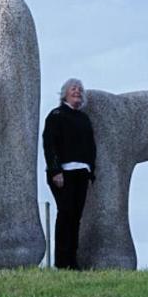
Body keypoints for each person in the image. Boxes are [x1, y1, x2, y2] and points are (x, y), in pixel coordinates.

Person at [41, 77, 96, 270]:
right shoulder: (56, 115)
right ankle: (61, 261)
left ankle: (73, 261)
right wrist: (56, 170)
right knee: (65, 215)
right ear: (64, 93)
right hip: (63, 173)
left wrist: (91, 171)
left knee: (76, 217)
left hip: (82, 172)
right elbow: (49, 145)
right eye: (74, 88)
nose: (77, 91)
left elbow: (91, 146)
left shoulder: (84, 118)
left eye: (80, 89)